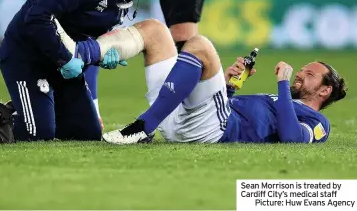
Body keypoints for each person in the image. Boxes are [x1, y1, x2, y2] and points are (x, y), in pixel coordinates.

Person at [0, 0, 167, 141]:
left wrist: (100, 56)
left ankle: (32, 106)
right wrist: (64, 59)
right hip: (27, 58)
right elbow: (36, 18)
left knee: (86, 133)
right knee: (37, 133)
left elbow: (84, 35)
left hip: (62, 66)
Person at [100, 34, 347, 144]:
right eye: (302, 70)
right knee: (154, 30)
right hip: (187, 120)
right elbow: (234, 109)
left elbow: (292, 139)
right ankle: (86, 51)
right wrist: (228, 87)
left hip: (213, 128)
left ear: (324, 91)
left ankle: (144, 127)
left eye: (310, 74)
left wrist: (282, 82)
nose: (301, 74)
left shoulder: (318, 122)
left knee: (200, 44)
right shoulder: (282, 101)